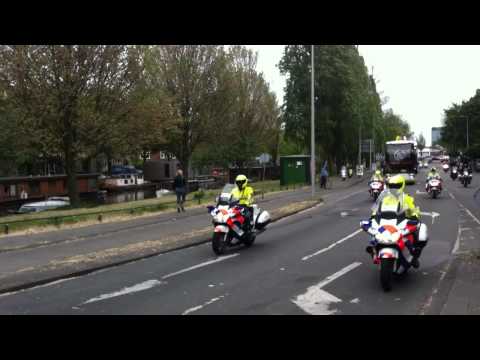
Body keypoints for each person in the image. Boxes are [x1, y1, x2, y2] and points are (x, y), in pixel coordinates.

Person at [368, 175, 425, 268]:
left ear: (402, 185)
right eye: (392, 185)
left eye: (397, 185)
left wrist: (415, 216)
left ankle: (414, 257)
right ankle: (374, 250)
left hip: (400, 222)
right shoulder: (384, 198)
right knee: (375, 233)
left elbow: (413, 210)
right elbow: (377, 209)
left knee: (417, 232)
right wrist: (373, 216)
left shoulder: (407, 198)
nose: (394, 188)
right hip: (386, 222)